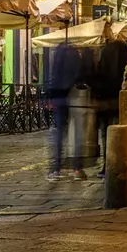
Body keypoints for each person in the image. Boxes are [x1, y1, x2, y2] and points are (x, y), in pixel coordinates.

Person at [45, 42, 83, 181]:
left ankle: (56, 168)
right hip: (74, 96)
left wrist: (49, 97)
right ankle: (77, 168)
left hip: (59, 98)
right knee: (76, 134)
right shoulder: (75, 57)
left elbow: (51, 78)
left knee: (59, 133)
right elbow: (80, 76)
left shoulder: (57, 56)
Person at [95, 32, 127, 177]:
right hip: (119, 99)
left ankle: (107, 165)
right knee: (119, 135)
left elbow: (97, 76)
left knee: (105, 135)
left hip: (104, 101)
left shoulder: (104, 52)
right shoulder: (124, 54)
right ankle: (118, 163)